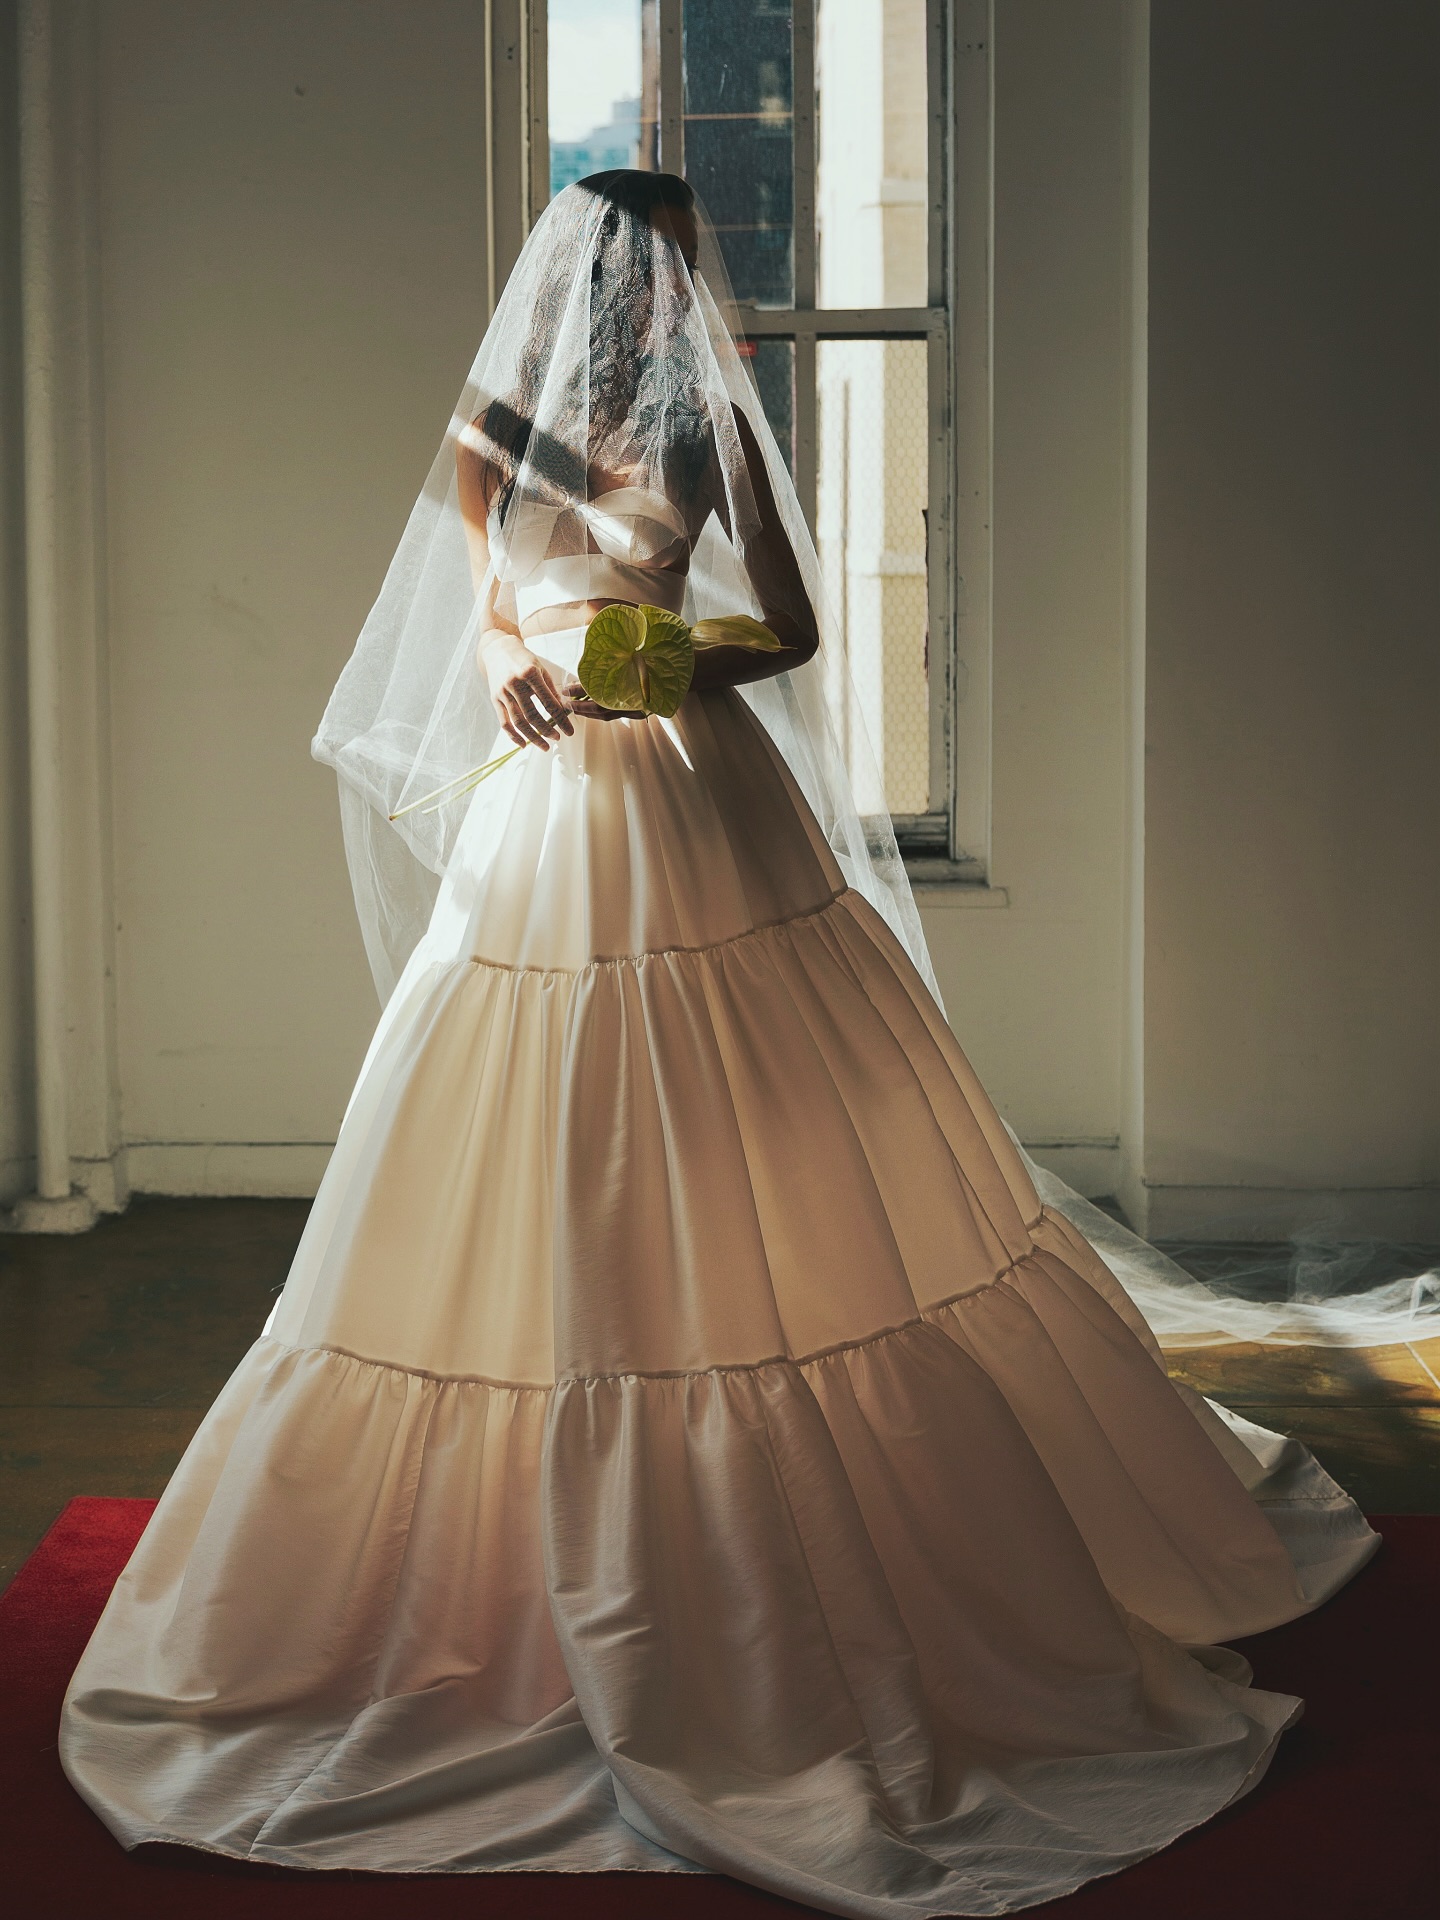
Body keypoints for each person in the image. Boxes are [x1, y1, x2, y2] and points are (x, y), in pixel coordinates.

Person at [60, 172, 1382, 1918]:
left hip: (690, 794)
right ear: (633, 270)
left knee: (755, 1124)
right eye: (664, 260)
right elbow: (468, 603)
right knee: (548, 1112)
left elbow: (797, 632)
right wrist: (522, 665)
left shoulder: (705, 438)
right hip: (557, 823)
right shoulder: (496, 422)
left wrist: (662, 664)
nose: (672, 284)